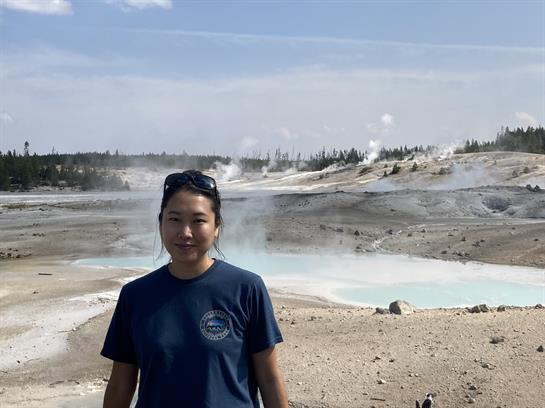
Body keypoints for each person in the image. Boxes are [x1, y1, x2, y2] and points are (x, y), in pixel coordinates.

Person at [101, 170, 288, 408]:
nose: (185, 233)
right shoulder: (135, 296)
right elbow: (120, 384)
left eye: (198, 221)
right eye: (175, 219)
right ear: (161, 223)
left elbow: (269, 378)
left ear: (216, 225)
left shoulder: (247, 288)